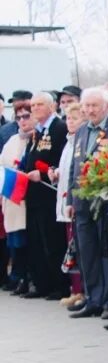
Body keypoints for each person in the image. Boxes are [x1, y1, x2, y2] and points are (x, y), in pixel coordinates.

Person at [68, 87, 108, 318]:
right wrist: (71, 198)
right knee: (87, 252)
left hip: (105, 202)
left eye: (95, 106)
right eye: (87, 106)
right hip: (82, 202)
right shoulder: (82, 131)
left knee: (107, 253)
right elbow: (75, 166)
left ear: (107, 107)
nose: (90, 110)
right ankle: (94, 298)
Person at [20, 92, 69, 300]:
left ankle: (60, 285)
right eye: (33, 105)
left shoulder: (59, 128)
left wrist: (41, 174)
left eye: (40, 104)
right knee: (38, 241)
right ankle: (44, 284)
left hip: (50, 194)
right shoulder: (37, 131)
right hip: (35, 195)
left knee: (53, 241)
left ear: (52, 106)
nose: (35, 108)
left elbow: (59, 160)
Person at [53, 102, 84, 307]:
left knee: (78, 248)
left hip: (75, 201)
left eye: (74, 118)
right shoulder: (68, 142)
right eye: (68, 118)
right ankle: (76, 289)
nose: (69, 122)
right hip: (65, 199)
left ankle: (82, 290)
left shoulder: (79, 141)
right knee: (71, 247)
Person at [1, 101, 32, 294]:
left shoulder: (38, 138)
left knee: (28, 241)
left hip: (29, 200)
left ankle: (28, 277)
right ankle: (18, 276)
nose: (22, 121)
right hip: (13, 199)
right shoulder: (12, 140)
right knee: (14, 242)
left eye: (26, 116)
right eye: (18, 117)